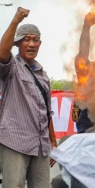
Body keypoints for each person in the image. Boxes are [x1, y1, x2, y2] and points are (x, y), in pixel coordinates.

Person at [0, 7, 56, 188]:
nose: (31, 44)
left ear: (40, 44)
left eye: (35, 40)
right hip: (15, 141)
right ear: (17, 43)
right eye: (26, 39)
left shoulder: (43, 75)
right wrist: (16, 19)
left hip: (40, 144)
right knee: (14, 185)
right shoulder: (12, 67)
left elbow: (47, 112)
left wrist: (52, 141)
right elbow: (2, 54)